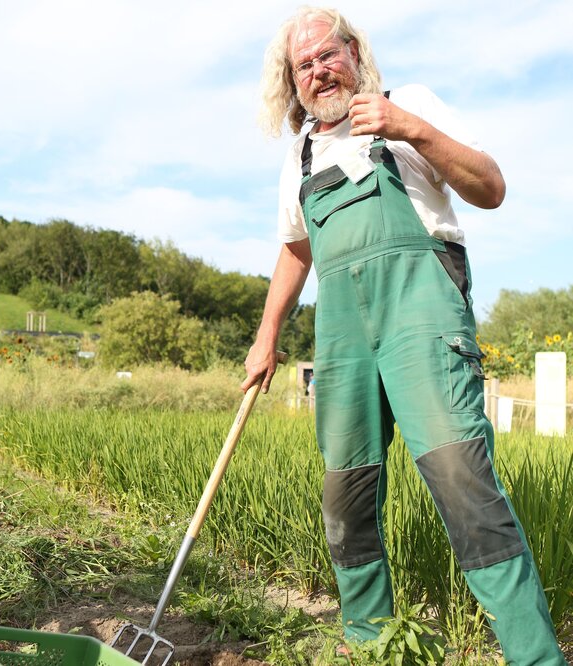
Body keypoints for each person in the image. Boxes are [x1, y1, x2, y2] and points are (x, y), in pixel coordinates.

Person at [242, 7, 565, 665]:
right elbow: (295, 248)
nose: (318, 71)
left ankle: (534, 657)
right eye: (303, 65)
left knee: (461, 482)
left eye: (326, 55)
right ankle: (374, 650)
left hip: (420, 315)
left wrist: (409, 130)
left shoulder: (407, 105)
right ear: (293, 81)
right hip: (341, 336)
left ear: (353, 52)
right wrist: (266, 334)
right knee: (346, 495)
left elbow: (490, 187)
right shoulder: (300, 153)